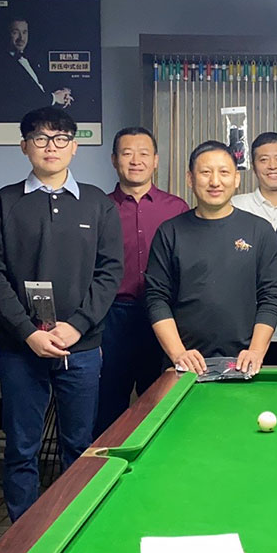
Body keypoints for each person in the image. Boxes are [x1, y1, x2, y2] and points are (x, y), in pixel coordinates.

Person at [0, 107, 122, 522]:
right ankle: (24, 533)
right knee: (22, 446)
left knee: (79, 444)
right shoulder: (3, 203)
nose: (51, 147)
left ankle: (74, 524)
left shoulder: (97, 204)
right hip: (21, 348)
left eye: (60, 139)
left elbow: (110, 272)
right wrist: (28, 332)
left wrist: (77, 327)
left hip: (81, 348)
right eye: (40, 138)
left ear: (74, 147)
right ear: (24, 146)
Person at [144, 141, 277, 376]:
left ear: (236, 179)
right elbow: (156, 298)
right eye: (206, 172)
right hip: (186, 365)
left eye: (224, 172)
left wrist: (256, 351)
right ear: (190, 179)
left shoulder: (260, 231)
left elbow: (271, 297)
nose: (215, 181)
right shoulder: (170, 232)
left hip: (244, 363)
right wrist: (178, 353)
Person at [96, 127, 189, 435]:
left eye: (144, 153)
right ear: (114, 160)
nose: (136, 160)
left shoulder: (177, 209)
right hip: (112, 317)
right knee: (108, 408)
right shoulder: (99, 208)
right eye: (127, 153)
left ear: (156, 160)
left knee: (163, 405)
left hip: (165, 318)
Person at [231, 132, 277, 364]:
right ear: (254, 166)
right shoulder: (234, 206)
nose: (272, 166)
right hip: (245, 332)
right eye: (263, 160)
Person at [0, 17, 74, 119]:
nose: (21, 38)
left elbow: (44, 85)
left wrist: (64, 93)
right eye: (15, 32)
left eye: (24, 32)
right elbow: (26, 97)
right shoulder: (1, 64)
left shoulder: (31, 59)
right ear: (7, 34)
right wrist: (55, 98)